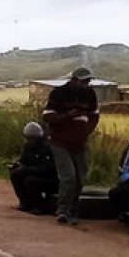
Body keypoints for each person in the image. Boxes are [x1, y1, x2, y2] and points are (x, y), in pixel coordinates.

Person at [42, 66, 100, 225]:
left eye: (88, 81)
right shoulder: (59, 93)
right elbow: (48, 117)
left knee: (80, 179)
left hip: (79, 143)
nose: (87, 84)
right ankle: (62, 210)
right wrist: (67, 116)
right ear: (74, 80)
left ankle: (74, 210)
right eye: (84, 81)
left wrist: (86, 131)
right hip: (60, 141)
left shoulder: (90, 94)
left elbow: (95, 115)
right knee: (68, 177)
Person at [8, 122, 58, 215]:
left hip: (50, 178)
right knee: (15, 175)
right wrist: (18, 165)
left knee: (31, 181)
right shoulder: (28, 147)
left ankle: (41, 206)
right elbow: (24, 160)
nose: (29, 140)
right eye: (27, 138)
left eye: (31, 138)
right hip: (33, 171)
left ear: (38, 137)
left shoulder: (46, 148)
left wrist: (26, 170)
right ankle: (26, 203)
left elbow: (48, 169)